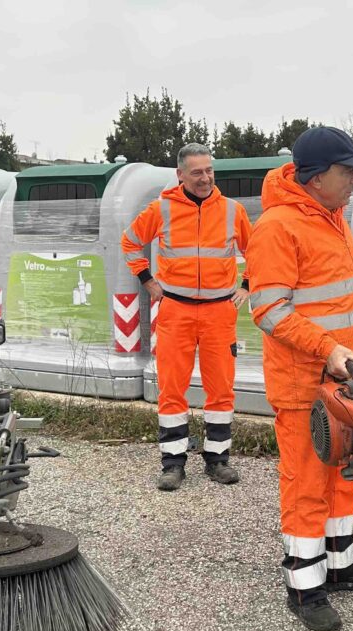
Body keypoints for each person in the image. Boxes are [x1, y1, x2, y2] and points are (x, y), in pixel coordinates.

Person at [247, 127, 353, 631]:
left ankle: (339, 564)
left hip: (348, 380)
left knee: (344, 474)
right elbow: (268, 310)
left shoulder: (331, 217)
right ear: (315, 176)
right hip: (305, 383)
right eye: (346, 170)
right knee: (307, 481)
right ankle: (305, 586)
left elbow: (342, 303)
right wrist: (328, 350)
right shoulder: (279, 227)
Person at [121, 143, 251, 491]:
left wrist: (247, 285)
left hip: (219, 312)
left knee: (221, 388)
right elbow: (130, 242)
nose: (206, 177)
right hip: (175, 310)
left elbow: (257, 250)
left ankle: (217, 460)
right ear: (180, 175)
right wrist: (147, 280)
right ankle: (173, 464)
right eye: (197, 172)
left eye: (209, 170)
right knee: (172, 388)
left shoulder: (231, 210)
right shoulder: (160, 209)